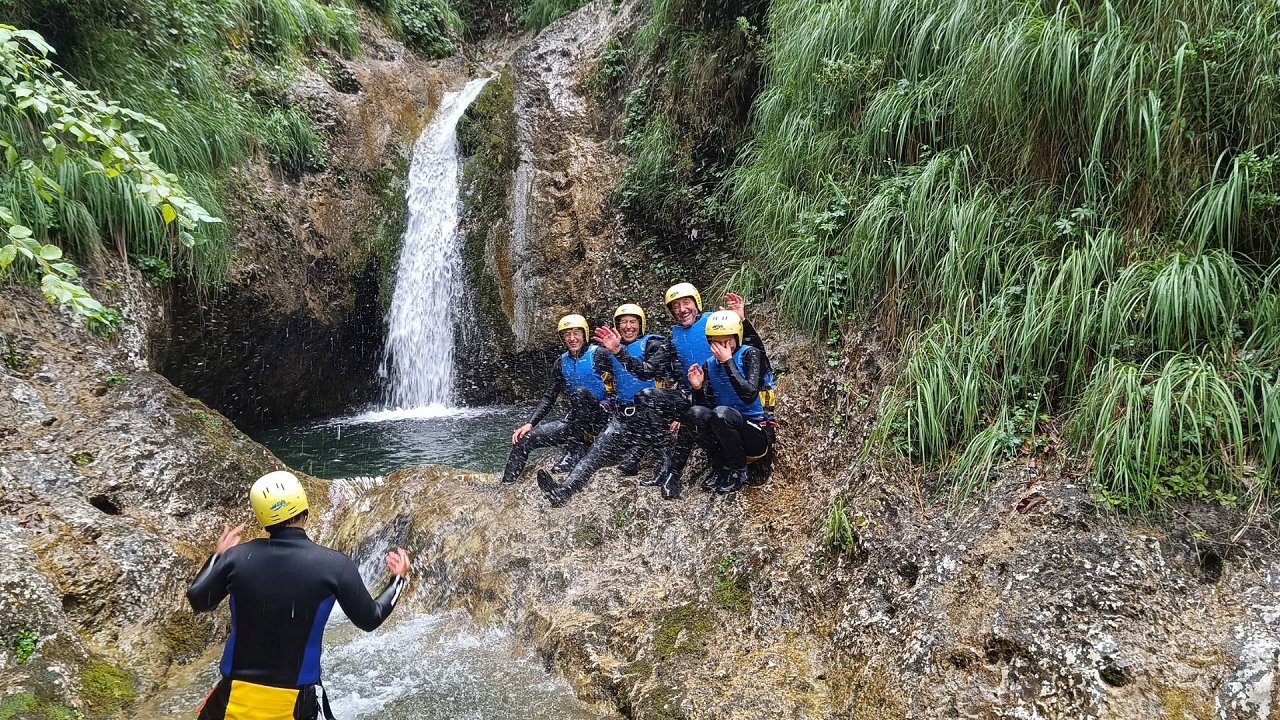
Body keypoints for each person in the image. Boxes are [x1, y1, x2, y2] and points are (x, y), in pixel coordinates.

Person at [187, 470, 411, 720]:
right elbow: (371, 618)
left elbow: (198, 599)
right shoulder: (334, 565)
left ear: (262, 517)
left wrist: (217, 557)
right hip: (296, 703)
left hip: (232, 699)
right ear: (304, 510)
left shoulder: (237, 558)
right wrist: (399, 579)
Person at [611, 283, 766, 499]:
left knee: (714, 413)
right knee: (647, 397)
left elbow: (755, 354)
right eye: (676, 306)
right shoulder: (674, 339)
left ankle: (685, 471)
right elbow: (647, 371)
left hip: (734, 409)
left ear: (697, 303)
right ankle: (668, 466)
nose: (682, 309)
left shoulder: (717, 324)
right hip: (698, 393)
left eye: (686, 303)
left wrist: (742, 321)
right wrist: (619, 352)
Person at [537, 303, 669, 506]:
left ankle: (659, 468)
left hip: (649, 417)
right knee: (594, 454)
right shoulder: (608, 351)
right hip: (623, 417)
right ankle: (564, 490)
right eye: (623, 322)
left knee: (633, 452)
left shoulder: (652, 344)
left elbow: (653, 372)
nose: (628, 326)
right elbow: (593, 378)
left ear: (641, 324)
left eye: (633, 322)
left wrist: (676, 414)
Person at [501, 314, 611, 485]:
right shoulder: (561, 362)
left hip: (601, 419)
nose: (572, 338)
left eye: (576, 333)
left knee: (580, 393)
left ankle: (573, 452)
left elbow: (622, 382)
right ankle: (505, 485)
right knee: (523, 440)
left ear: (585, 334)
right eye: (567, 334)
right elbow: (549, 397)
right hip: (575, 423)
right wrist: (530, 423)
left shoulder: (600, 354)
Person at [687, 310, 774, 493]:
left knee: (722, 414)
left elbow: (749, 394)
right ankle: (721, 465)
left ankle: (739, 471)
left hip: (756, 433)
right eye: (716, 342)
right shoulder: (709, 364)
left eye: (727, 341)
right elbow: (706, 409)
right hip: (726, 433)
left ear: (737, 337)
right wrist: (698, 388)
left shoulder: (750, 354)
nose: (722, 346)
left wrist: (728, 362)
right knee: (694, 414)